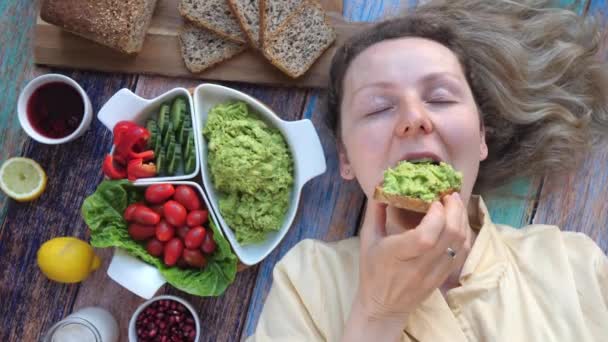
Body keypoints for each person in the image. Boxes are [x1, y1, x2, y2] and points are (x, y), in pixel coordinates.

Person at [248, 0, 608, 341]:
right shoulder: (308, 283)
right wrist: (378, 313)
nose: (414, 119)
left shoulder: (572, 265)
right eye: (377, 108)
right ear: (346, 158)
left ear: (481, 136)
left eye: (439, 98)